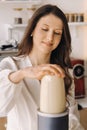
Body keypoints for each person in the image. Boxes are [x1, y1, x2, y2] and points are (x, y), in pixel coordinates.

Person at [0, 4, 85, 130]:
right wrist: (23, 73)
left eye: (57, 33)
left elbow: (72, 117)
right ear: (32, 30)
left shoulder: (64, 73)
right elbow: (1, 108)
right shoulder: (11, 65)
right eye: (45, 29)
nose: (50, 37)